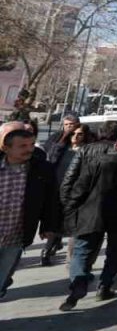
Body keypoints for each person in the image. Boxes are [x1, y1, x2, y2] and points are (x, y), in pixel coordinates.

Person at [60, 134, 117, 310]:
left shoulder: (99, 161)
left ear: (116, 145)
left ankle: (78, 283)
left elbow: (81, 186)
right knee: (116, 253)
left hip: (92, 211)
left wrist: (70, 208)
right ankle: (105, 285)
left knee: (82, 251)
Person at [0, 122, 60, 300]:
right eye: (23, 146)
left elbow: (51, 200)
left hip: (15, 236)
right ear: (5, 148)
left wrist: (48, 225)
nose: (29, 149)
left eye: (32, 145)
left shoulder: (42, 169)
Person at [42, 120, 95, 266]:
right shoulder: (62, 149)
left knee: (67, 222)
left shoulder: (86, 151)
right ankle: (47, 250)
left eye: (80, 134)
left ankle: (67, 256)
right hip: (56, 189)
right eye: (73, 133)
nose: (75, 136)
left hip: (74, 192)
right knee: (54, 220)